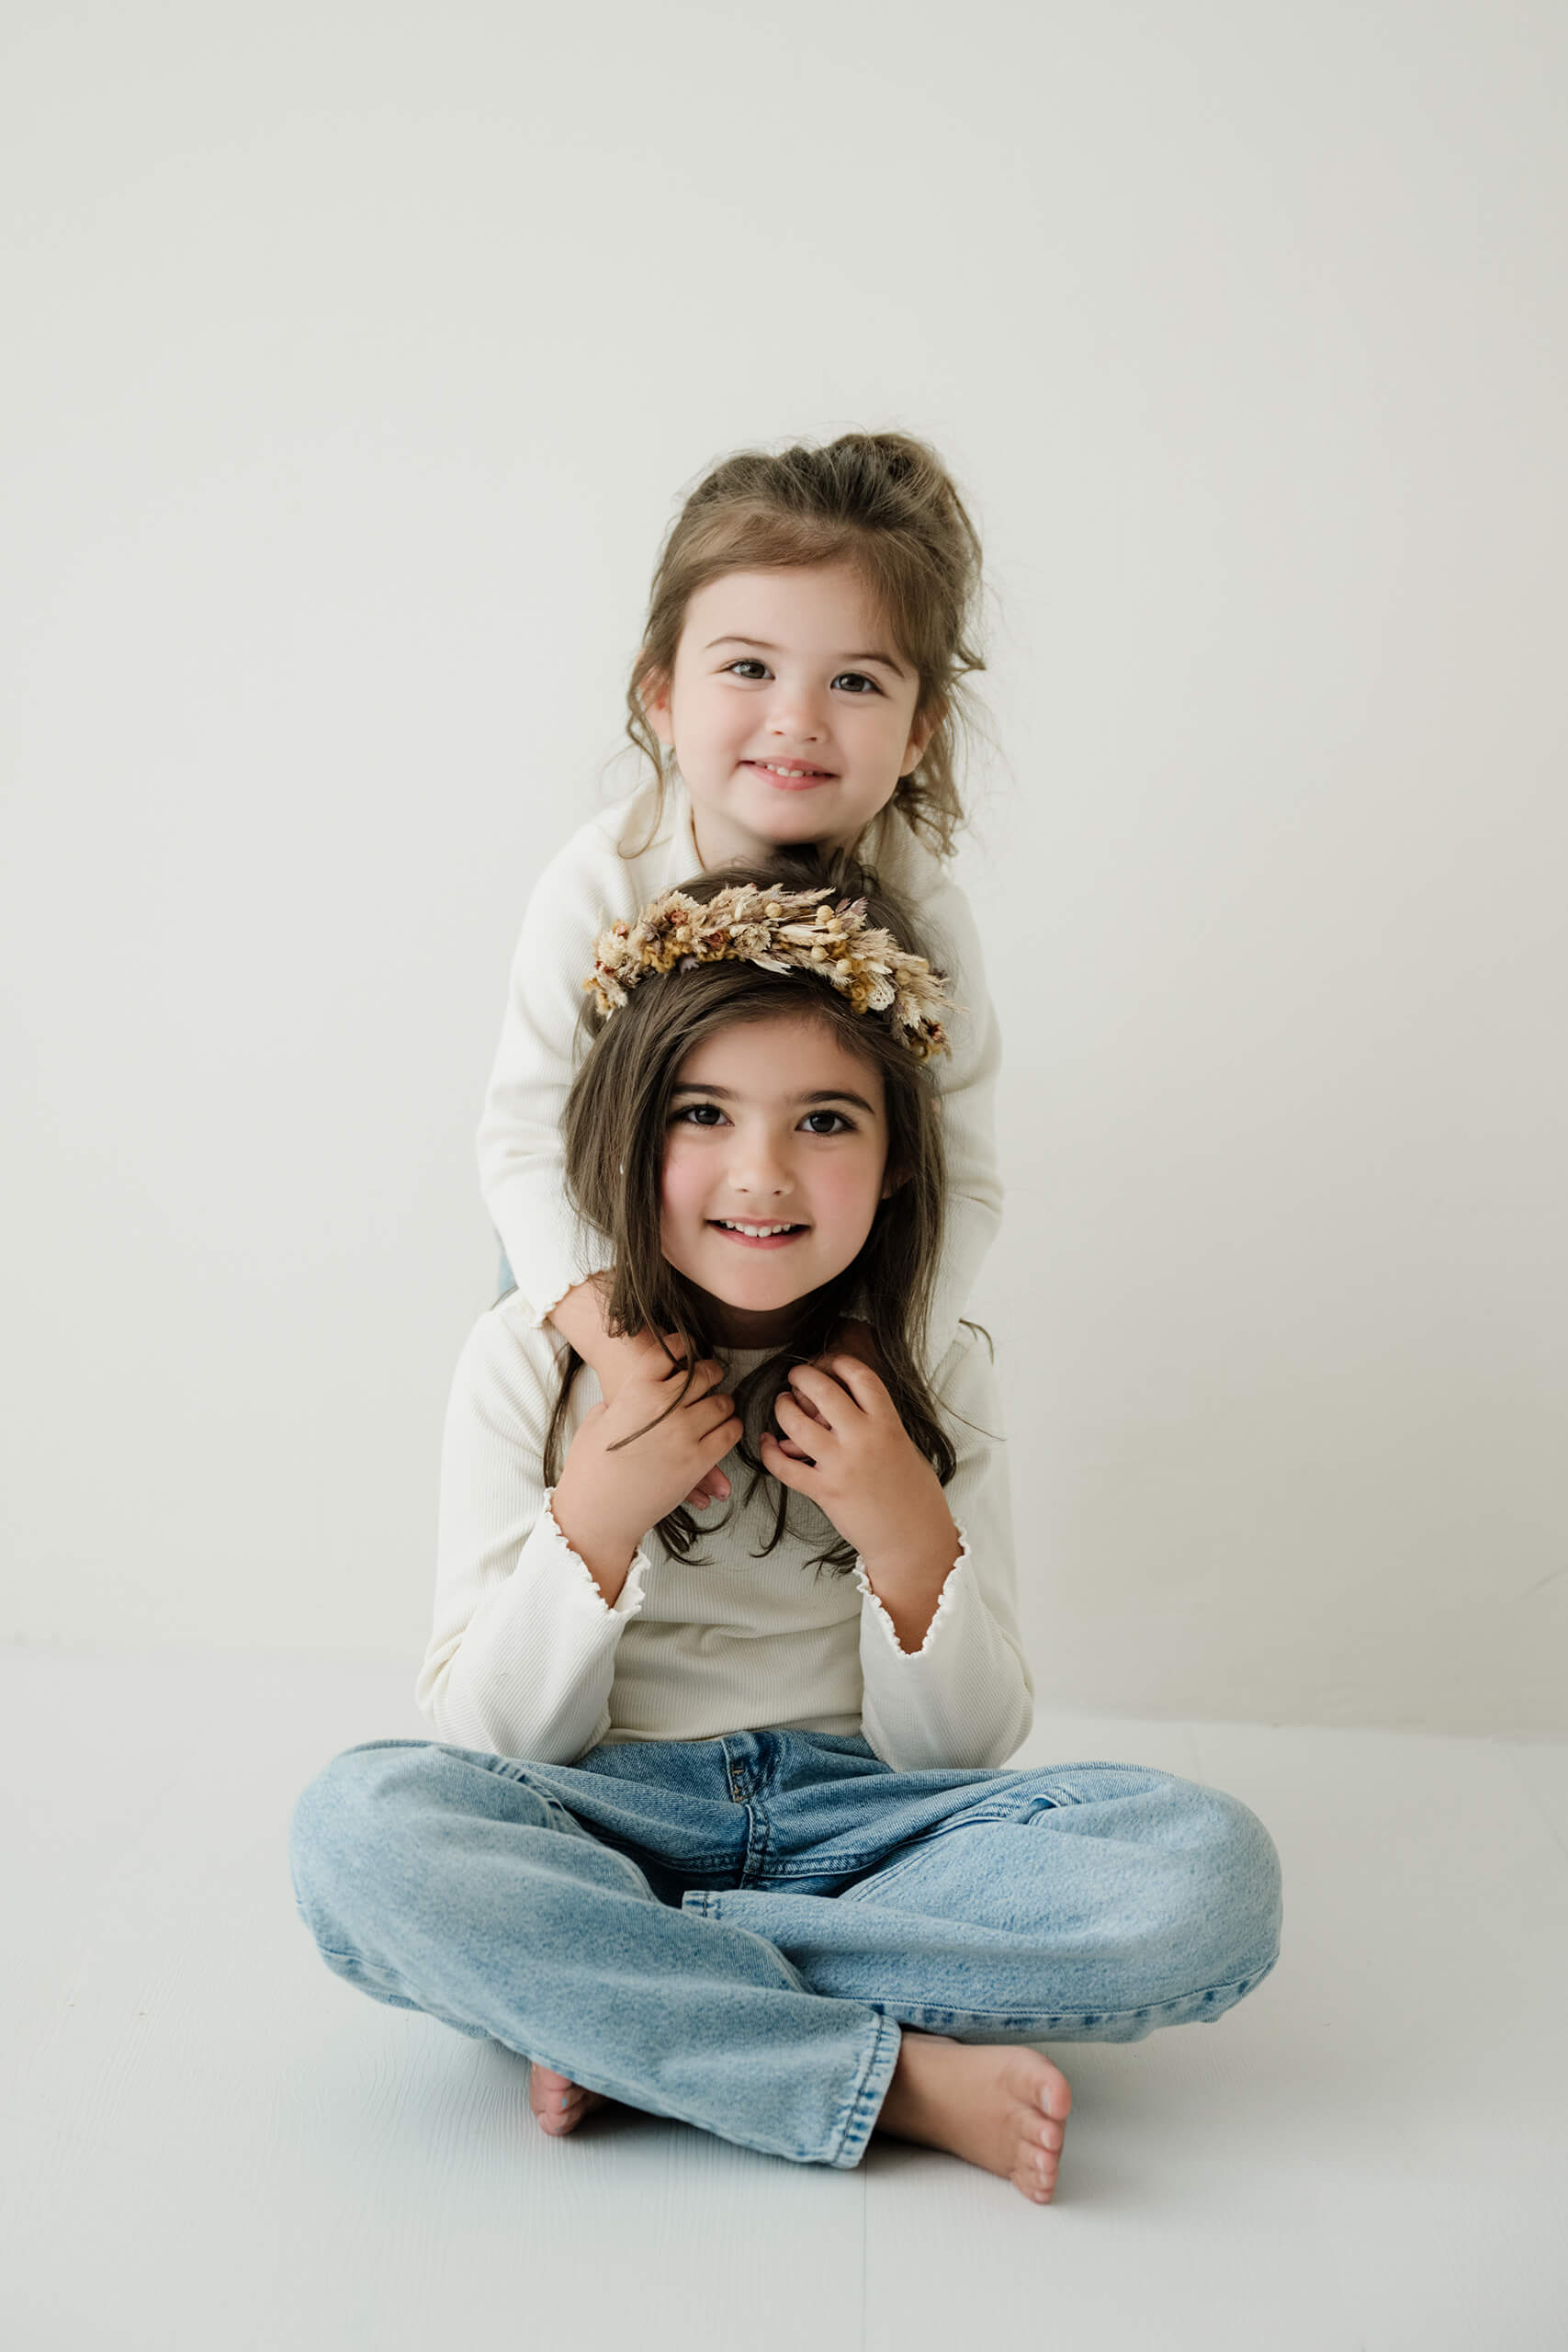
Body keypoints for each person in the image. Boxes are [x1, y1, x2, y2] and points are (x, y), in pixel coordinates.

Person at [288, 862, 1283, 2206]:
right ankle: (882, 2073)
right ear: (622, 1138)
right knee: (363, 1828)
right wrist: (597, 1512)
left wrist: (900, 1523)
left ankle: (627, 2002)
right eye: (701, 1114)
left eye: (823, 1120)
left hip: (869, 1825)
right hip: (601, 1812)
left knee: (1206, 1875)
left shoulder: (936, 1371)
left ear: (891, 1166)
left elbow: (961, 1752)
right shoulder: (525, 1358)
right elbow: (492, 1744)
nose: (760, 1174)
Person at [476, 429, 1004, 1514]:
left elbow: (965, 1171)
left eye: (855, 680)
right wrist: (621, 1354)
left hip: (817, 1280)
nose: (797, 719)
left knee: (807, 1511)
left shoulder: (929, 921)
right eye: (750, 667)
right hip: (602, 1260)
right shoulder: (602, 881)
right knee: (566, 1477)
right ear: (662, 695)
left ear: (919, 731)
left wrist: (865, 1350)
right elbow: (525, 1142)